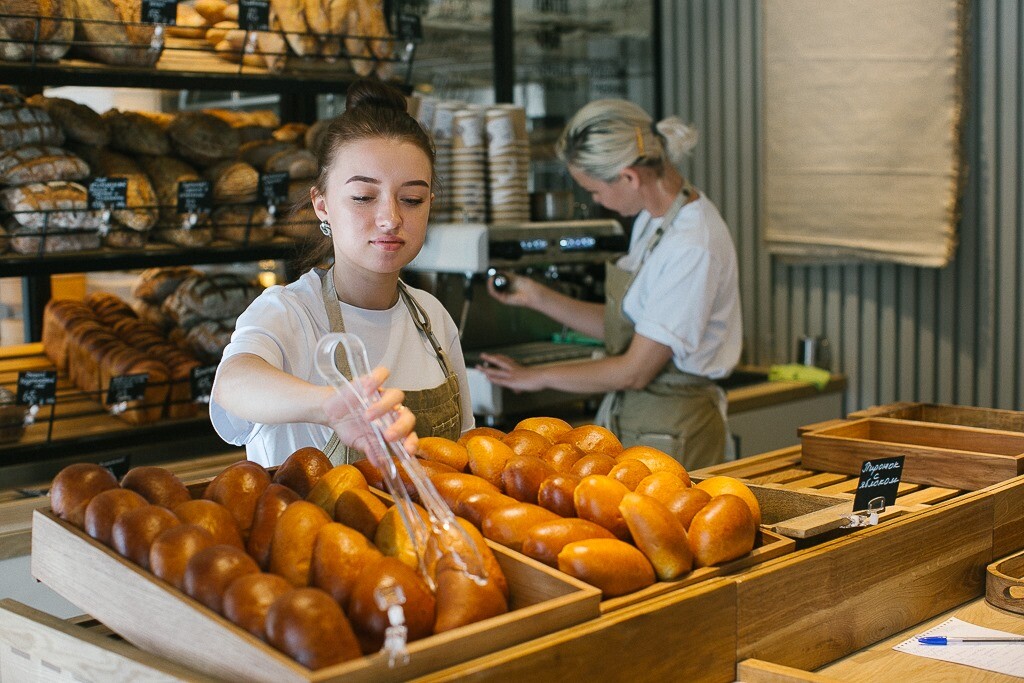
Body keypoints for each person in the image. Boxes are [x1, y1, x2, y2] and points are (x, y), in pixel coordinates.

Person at [210, 78, 475, 467]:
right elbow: (233, 382)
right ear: (322, 205)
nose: (390, 218)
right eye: (364, 197)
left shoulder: (433, 319)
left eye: (412, 199)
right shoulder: (289, 313)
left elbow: (465, 451)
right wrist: (327, 405)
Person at [479, 99, 741, 470]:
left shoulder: (692, 245)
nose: (595, 200)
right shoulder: (657, 220)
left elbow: (635, 369)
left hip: (674, 430)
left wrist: (534, 378)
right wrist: (536, 297)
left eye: (595, 190)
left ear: (629, 176)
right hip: (643, 422)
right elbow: (629, 324)